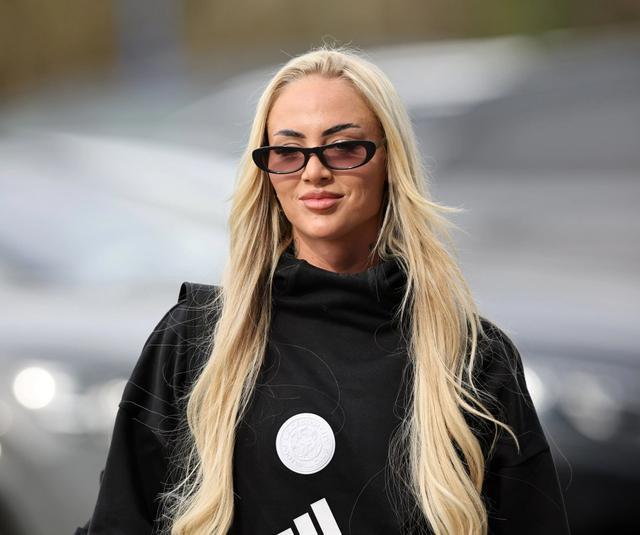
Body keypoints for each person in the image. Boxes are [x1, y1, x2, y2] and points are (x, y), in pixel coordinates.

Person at [76, 46, 571, 535]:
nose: (314, 171)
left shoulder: (472, 357)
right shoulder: (196, 340)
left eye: (343, 146)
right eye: (288, 151)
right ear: (266, 172)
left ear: (390, 161)